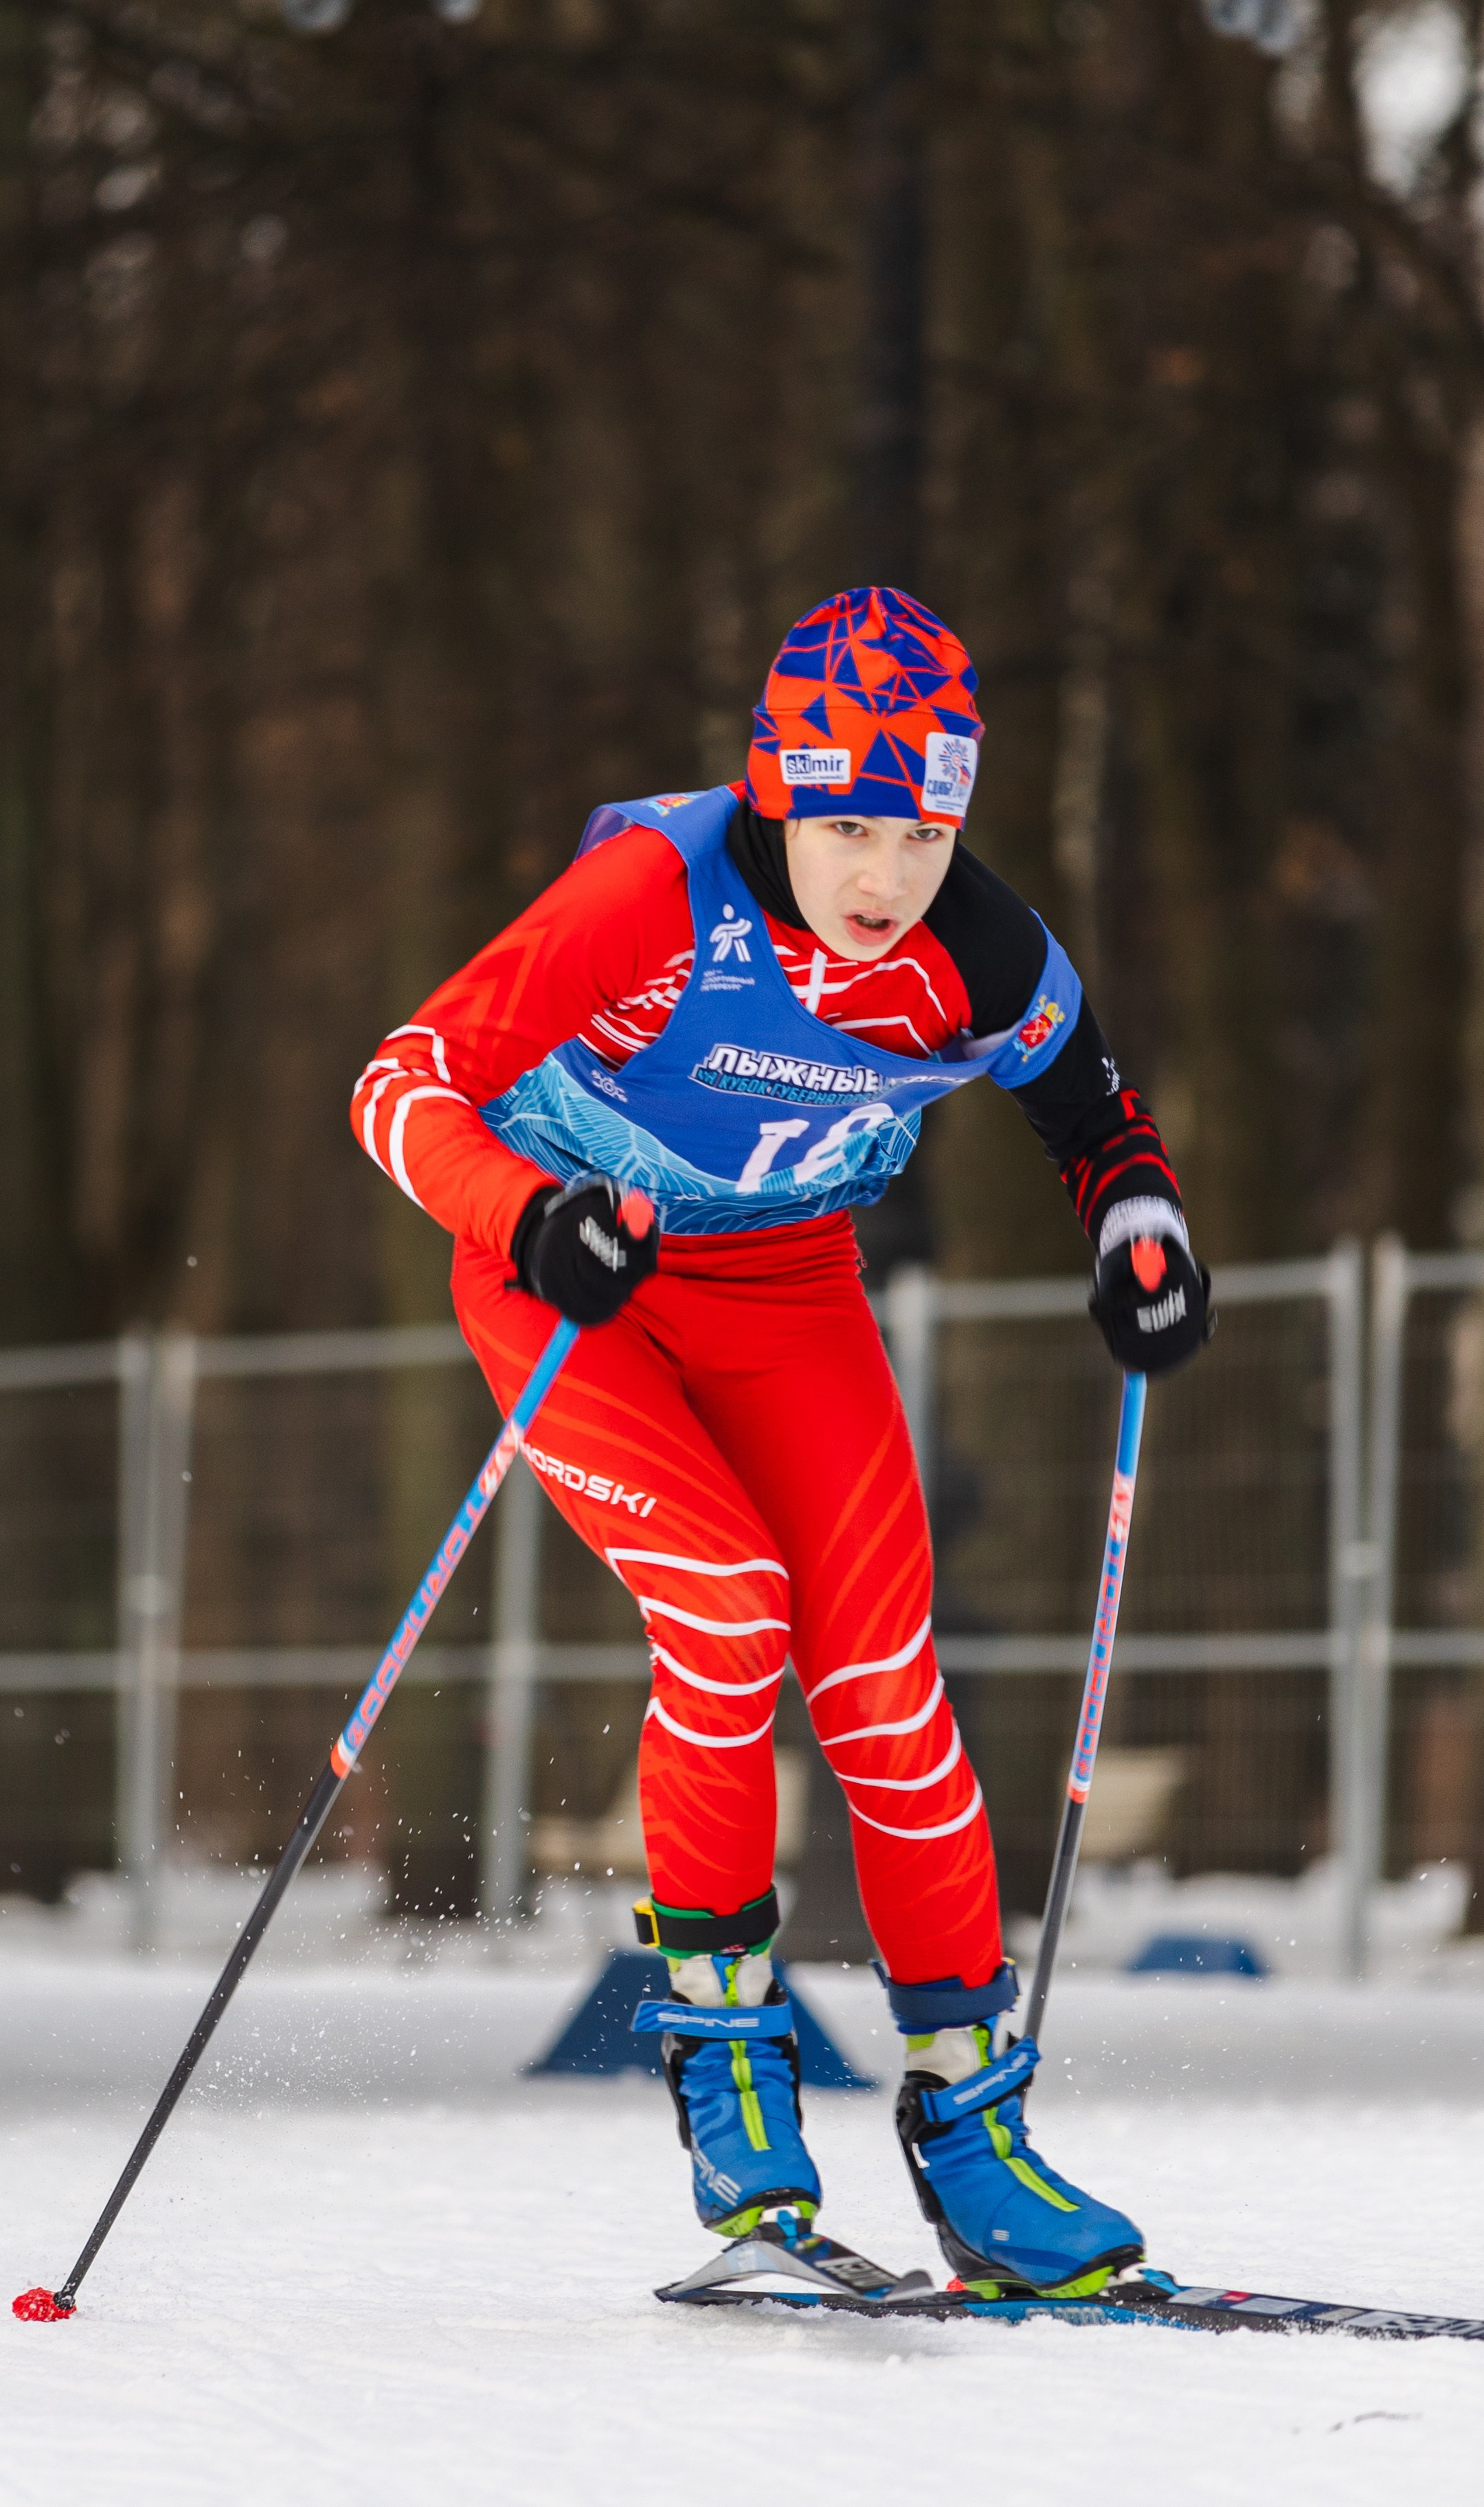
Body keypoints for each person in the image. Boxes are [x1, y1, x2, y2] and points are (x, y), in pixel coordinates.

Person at [352, 586, 1211, 2295]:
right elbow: (401, 1082)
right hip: (576, 1283)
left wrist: (1145, 1235)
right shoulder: (655, 891)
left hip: (784, 1289)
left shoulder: (981, 949)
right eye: (844, 824)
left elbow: (1094, 1120)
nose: (881, 873)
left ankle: (973, 2129)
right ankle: (729, 2066)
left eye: (918, 826)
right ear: (777, 794)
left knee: (888, 1682)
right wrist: (522, 1213)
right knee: (731, 1613)